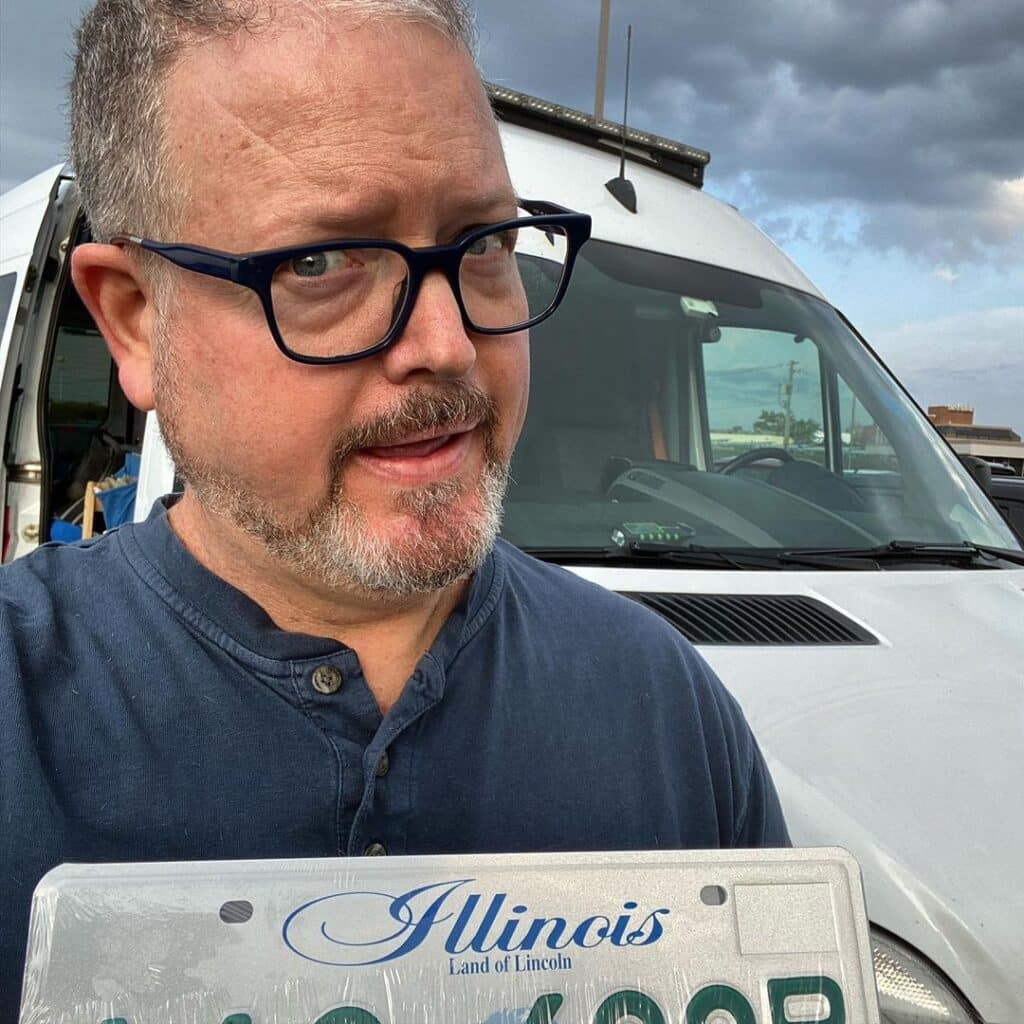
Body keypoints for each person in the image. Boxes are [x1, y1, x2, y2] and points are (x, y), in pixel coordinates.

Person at [0, 0, 789, 1010]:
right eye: (322, 262)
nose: (448, 344)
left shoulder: (663, 705)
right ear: (135, 319)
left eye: (485, 243)